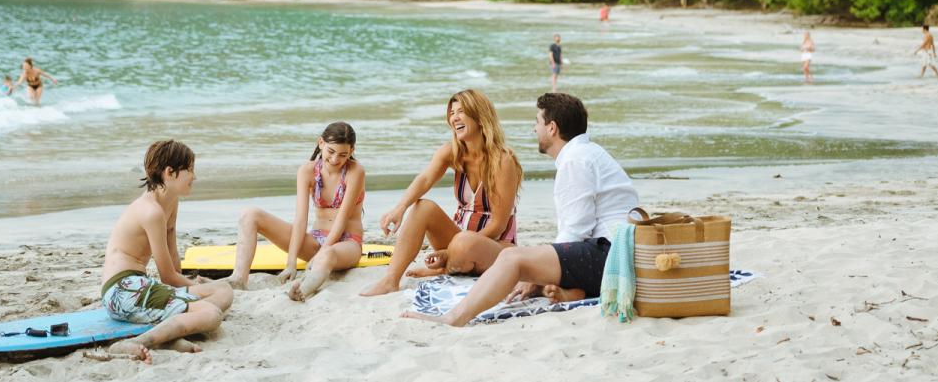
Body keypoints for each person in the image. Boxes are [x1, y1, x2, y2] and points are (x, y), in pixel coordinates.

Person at [402, 91, 638, 326]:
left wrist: (536, 273)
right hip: (614, 252)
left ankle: (453, 318)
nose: (535, 129)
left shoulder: (575, 161)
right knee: (524, 259)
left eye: (538, 122)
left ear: (552, 128)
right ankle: (573, 291)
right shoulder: (588, 153)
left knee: (513, 259)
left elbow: (575, 231)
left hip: (609, 255)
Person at [359, 88, 522, 297]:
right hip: (459, 241)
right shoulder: (453, 152)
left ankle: (447, 266)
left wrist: (452, 250)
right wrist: (399, 208)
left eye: (461, 111)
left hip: (495, 247)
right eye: (452, 113)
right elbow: (425, 179)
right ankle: (391, 280)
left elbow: (498, 225)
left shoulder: (503, 161)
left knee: (464, 242)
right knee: (423, 207)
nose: (455, 118)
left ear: (480, 116)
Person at [97, 140, 233, 363]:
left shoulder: (170, 202)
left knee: (224, 290)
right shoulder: (151, 212)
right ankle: (136, 343)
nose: (194, 176)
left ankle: (172, 333)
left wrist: (193, 289)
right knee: (210, 314)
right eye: (189, 169)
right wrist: (195, 289)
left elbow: (173, 262)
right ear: (170, 172)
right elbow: (168, 276)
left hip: (139, 286)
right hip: (123, 291)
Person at [226, 122, 367, 301]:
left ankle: (302, 290)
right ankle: (239, 278)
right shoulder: (307, 171)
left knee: (327, 255)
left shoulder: (356, 171)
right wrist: (291, 263)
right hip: (315, 239)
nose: (335, 160)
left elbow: (341, 219)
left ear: (352, 150)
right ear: (321, 143)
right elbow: (300, 220)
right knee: (250, 214)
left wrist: (321, 254)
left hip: (347, 243)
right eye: (331, 152)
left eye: (343, 155)